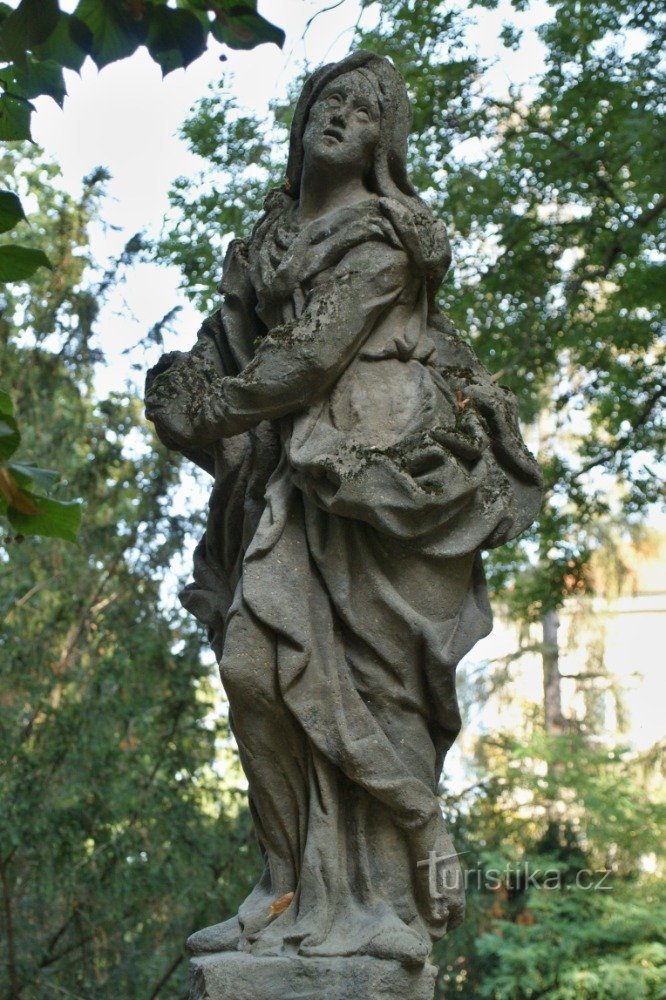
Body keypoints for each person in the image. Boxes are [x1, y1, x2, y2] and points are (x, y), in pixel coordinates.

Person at [145, 51, 542, 968]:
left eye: (364, 112)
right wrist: (179, 395)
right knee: (254, 669)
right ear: (303, 119)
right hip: (289, 480)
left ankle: (384, 892)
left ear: (382, 146)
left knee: (365, 681)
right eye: (330, 99)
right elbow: (231, 348)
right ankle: (283, 889)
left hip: (376, 487)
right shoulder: (262, 244)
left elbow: (306, 361)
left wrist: (217, 403)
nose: (340, 117)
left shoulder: (381, 240)